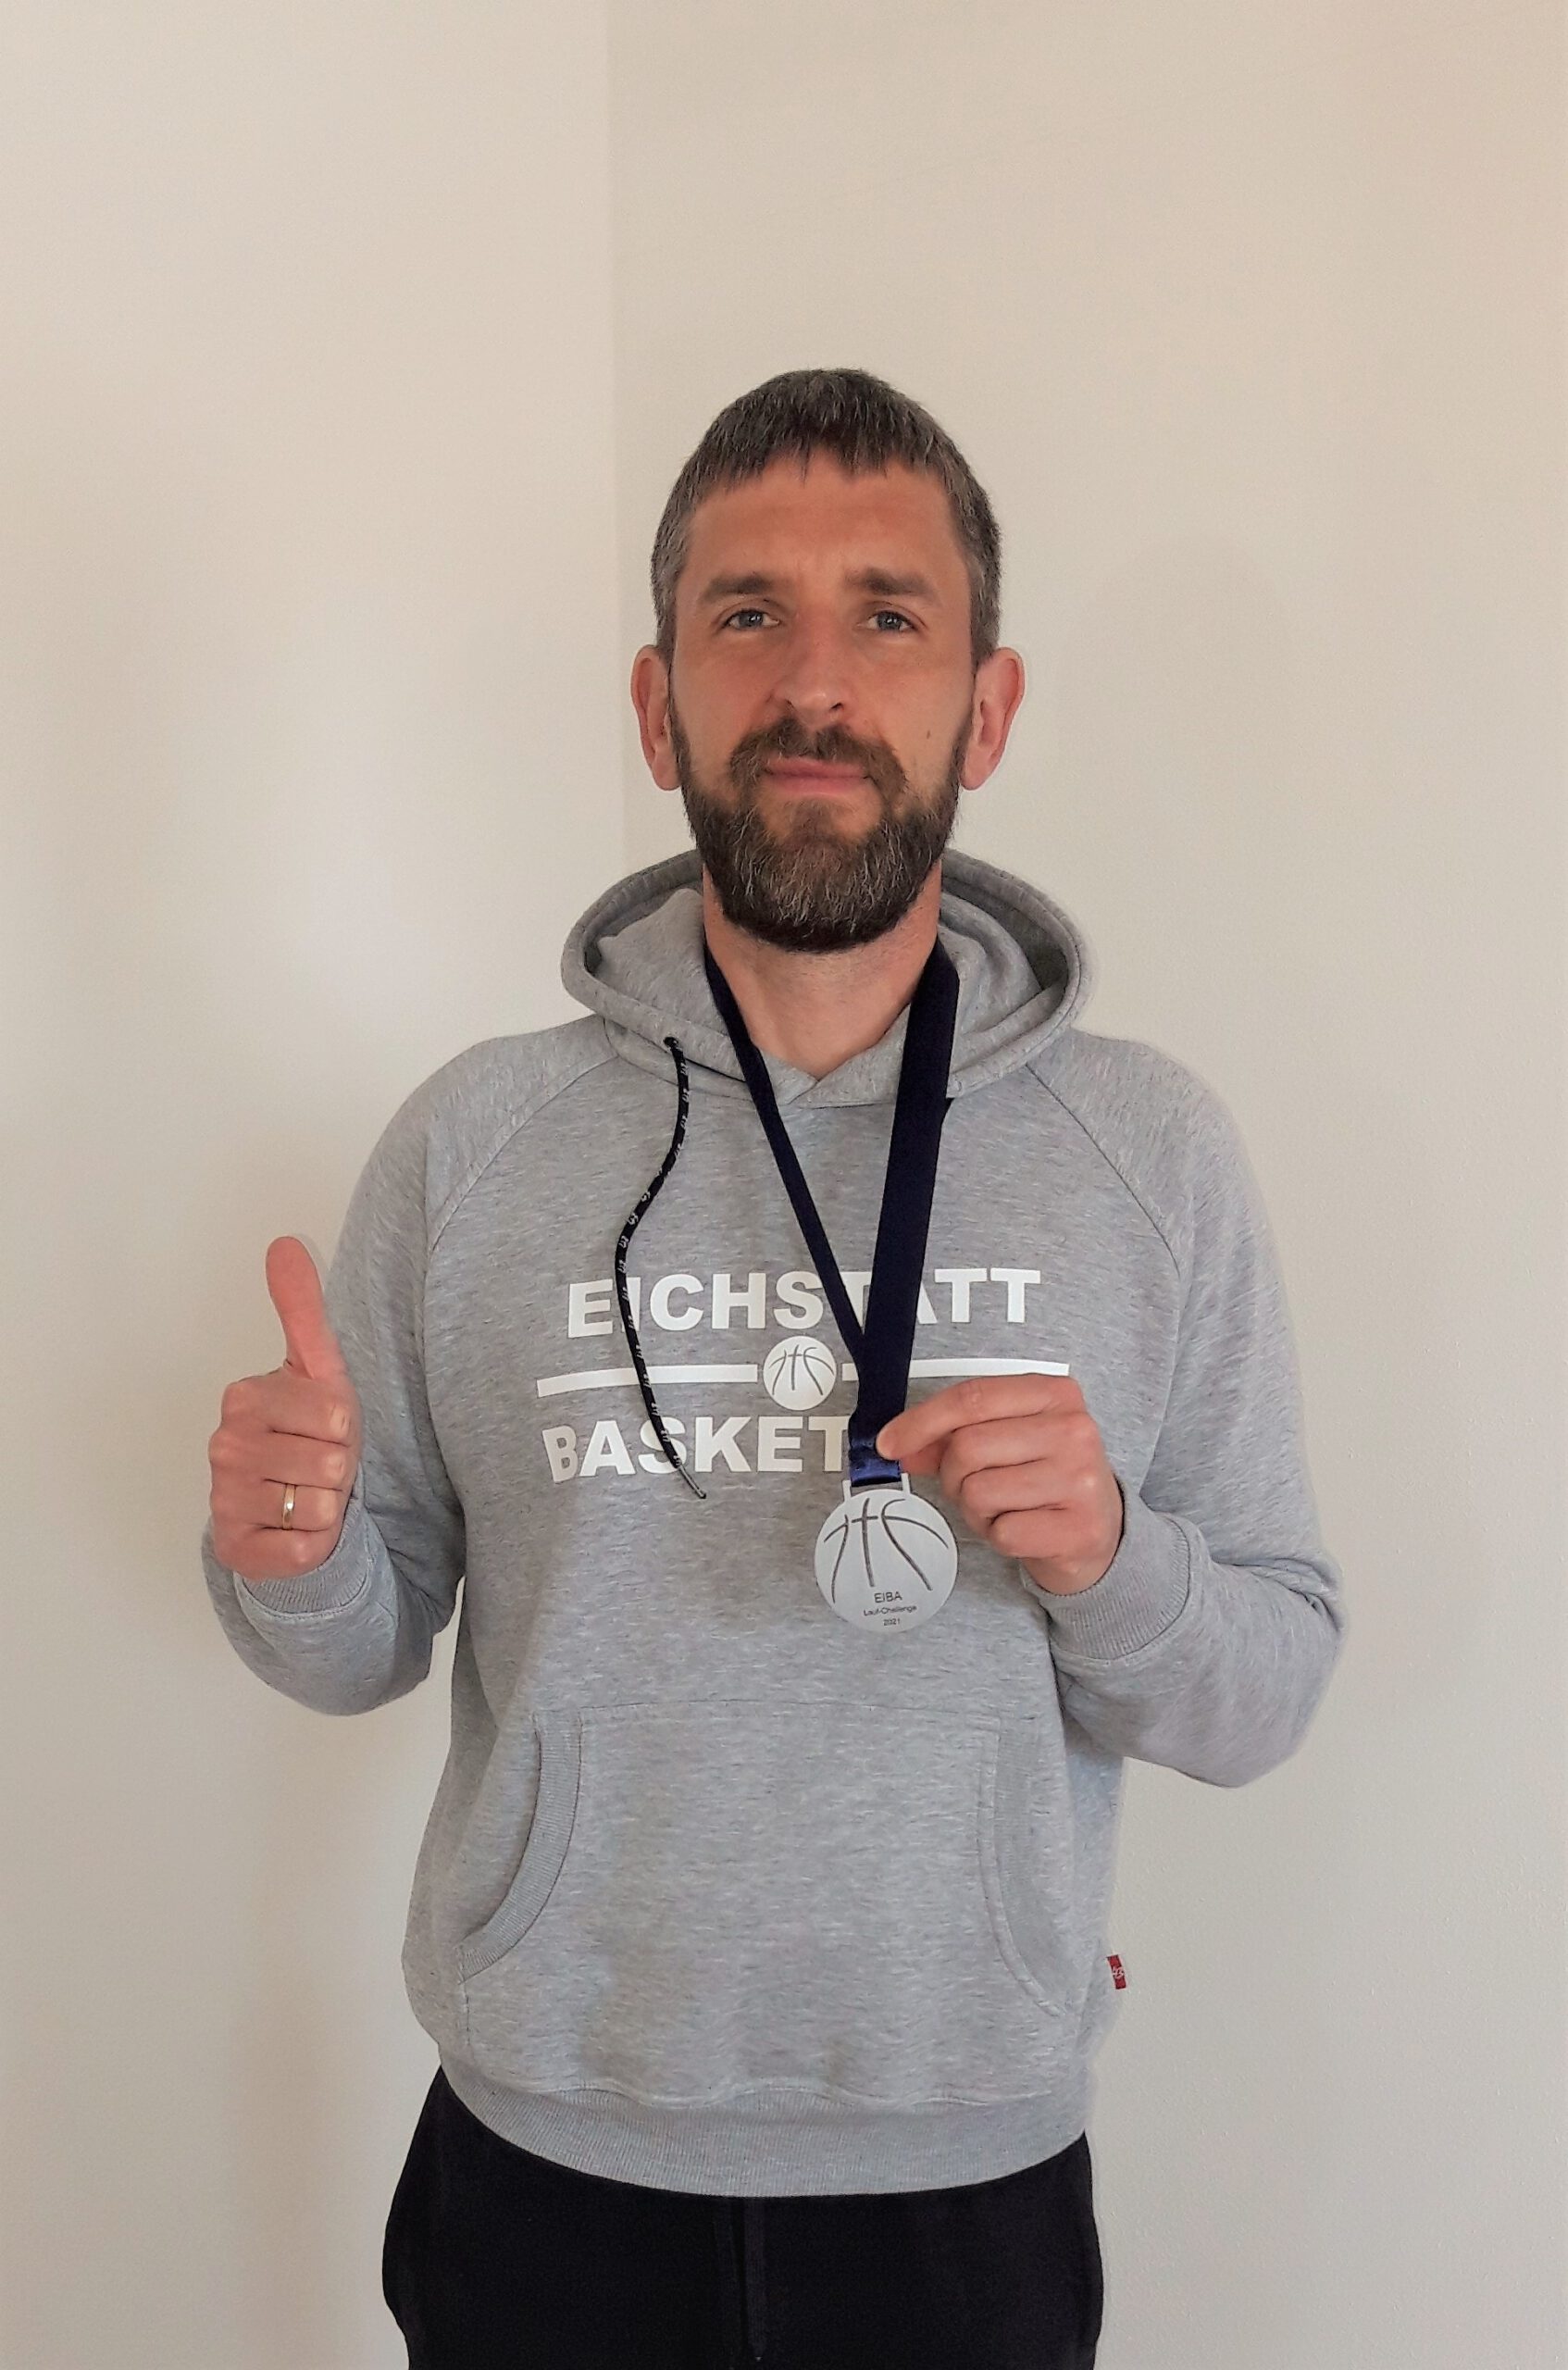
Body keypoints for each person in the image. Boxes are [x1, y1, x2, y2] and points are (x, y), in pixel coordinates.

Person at [202, 367, 1346, 2369]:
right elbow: (358, 1641)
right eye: (749, 614)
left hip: (963, 2180)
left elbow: (1266, 1687)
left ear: (985, 706)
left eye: (887, 615)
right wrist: (287, 1554)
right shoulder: (474, 1142)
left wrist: (1111, 1560)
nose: (815, 681)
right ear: (658, 706)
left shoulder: (1148, 1153)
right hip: (544, 2158)